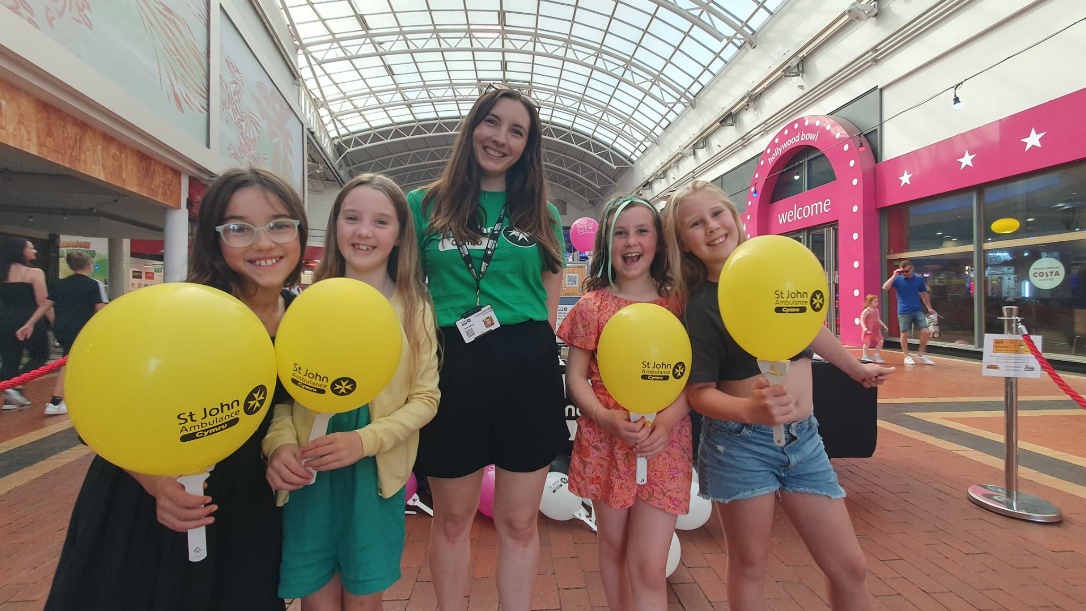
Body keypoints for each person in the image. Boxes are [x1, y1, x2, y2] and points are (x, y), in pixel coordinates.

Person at [45, 168, 309, 611]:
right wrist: (157, 485)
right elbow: (97, 416)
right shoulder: (182, 312)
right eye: (239, 229)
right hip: (159, 504)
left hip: (249, 507)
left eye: (280, 225)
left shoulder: (307, 318)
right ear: (214, 238)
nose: (264, 244)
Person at [662, 180, 894, 611]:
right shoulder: (700, 306)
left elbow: (810, 326)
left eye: (717, 214)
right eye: (695, 223)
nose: (712, 227)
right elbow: (699, 394)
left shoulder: (773, 272)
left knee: (850, 567)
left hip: (805, 441)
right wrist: (749, 409)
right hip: (738, 446)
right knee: (750, 566)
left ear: (734, 217)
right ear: (684, 244)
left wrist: (856, 369)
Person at [409, 84, 567, 611]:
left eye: (516, 131)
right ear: (473, 126)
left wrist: (539, 345)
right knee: (452, 519)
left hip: (526, 368)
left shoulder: (539, 210)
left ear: (527, 145)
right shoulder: (422, 205)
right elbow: (404, 286)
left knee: (519, 520)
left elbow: (550, 284)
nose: (501, 138)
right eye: (492, 122)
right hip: (453, 367)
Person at [263, 174, 440, 611]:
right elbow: (284, 397)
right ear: (334, 225)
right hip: (310, 472)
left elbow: (426, 398)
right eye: (352, 217)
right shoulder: (304, 304)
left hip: (373, 475)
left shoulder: (414, 307)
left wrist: (365, 441)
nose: (364, 231)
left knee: (363, 600)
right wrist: (280, 445)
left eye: (381, 221)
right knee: (317, 603)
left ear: (400, 234)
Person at [556, 196, 691, 611]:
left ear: (658, 242)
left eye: (642, 231)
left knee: (649, 565)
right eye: (620, 233)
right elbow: (575, 377)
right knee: (612, 548)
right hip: (605, 442)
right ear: (606, 245)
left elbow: (694, 380)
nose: (631, 242)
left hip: (664, 444)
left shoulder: (680, 304)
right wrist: (603, 417)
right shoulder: (591, 306)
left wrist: (666, 423)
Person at [43, 251, 109, 415]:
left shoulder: (59, 284)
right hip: (81, 328)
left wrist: (31, 323)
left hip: (62, 327)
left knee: (71, 359)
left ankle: (67, 397)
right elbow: (101, 309)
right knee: (70, 361)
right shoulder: (93, 284)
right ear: (89, 266)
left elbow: (45, 305)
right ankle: (56, 400)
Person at [0, 236, 52, 409]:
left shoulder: (3, 272)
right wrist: (34, 323)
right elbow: (43, 302)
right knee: (40, 355)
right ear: (21, 251)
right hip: (30, 319)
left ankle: (10, 398)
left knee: (10, 360)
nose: (35, 250)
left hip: (5, 319)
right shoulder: (35, 273)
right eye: (31, 247)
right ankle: (16, 385)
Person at [882, 259, 937, 365]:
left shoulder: (918, 279)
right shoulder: (898, 279)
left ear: (912, 268)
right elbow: (885, 287)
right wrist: (894, 275)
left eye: (906, 271)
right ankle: (906, 356)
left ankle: (921, 354)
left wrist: (929, 308)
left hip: (917, 309)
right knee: (904, 333)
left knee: (926, 331)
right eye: (902, 271)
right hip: (903, 311)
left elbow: (924, 294)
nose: (904, 274)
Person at [858, 294, 887, 364]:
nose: (877, 303)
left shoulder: (876, 310)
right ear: (869, 302)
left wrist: (883, 325)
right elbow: (861, 319)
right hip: (868, 329)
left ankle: (876, 355)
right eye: (875, 302)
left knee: (881, 341)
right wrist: (864, 327)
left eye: (877, 302)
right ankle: (865, 355)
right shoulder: (866, 311)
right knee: (867, 342)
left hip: (876, 329)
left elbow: (878, 319)